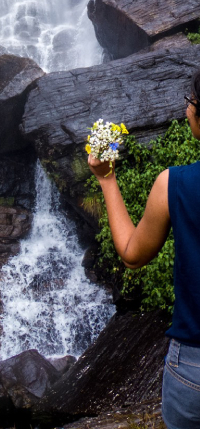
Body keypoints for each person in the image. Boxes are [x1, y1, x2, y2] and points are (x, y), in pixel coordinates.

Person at [89, 69, 200, 429]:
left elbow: (132, 254)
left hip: (194, 365)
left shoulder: (175, 184)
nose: (186, 110)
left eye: (190, 103)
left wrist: (107, 179)